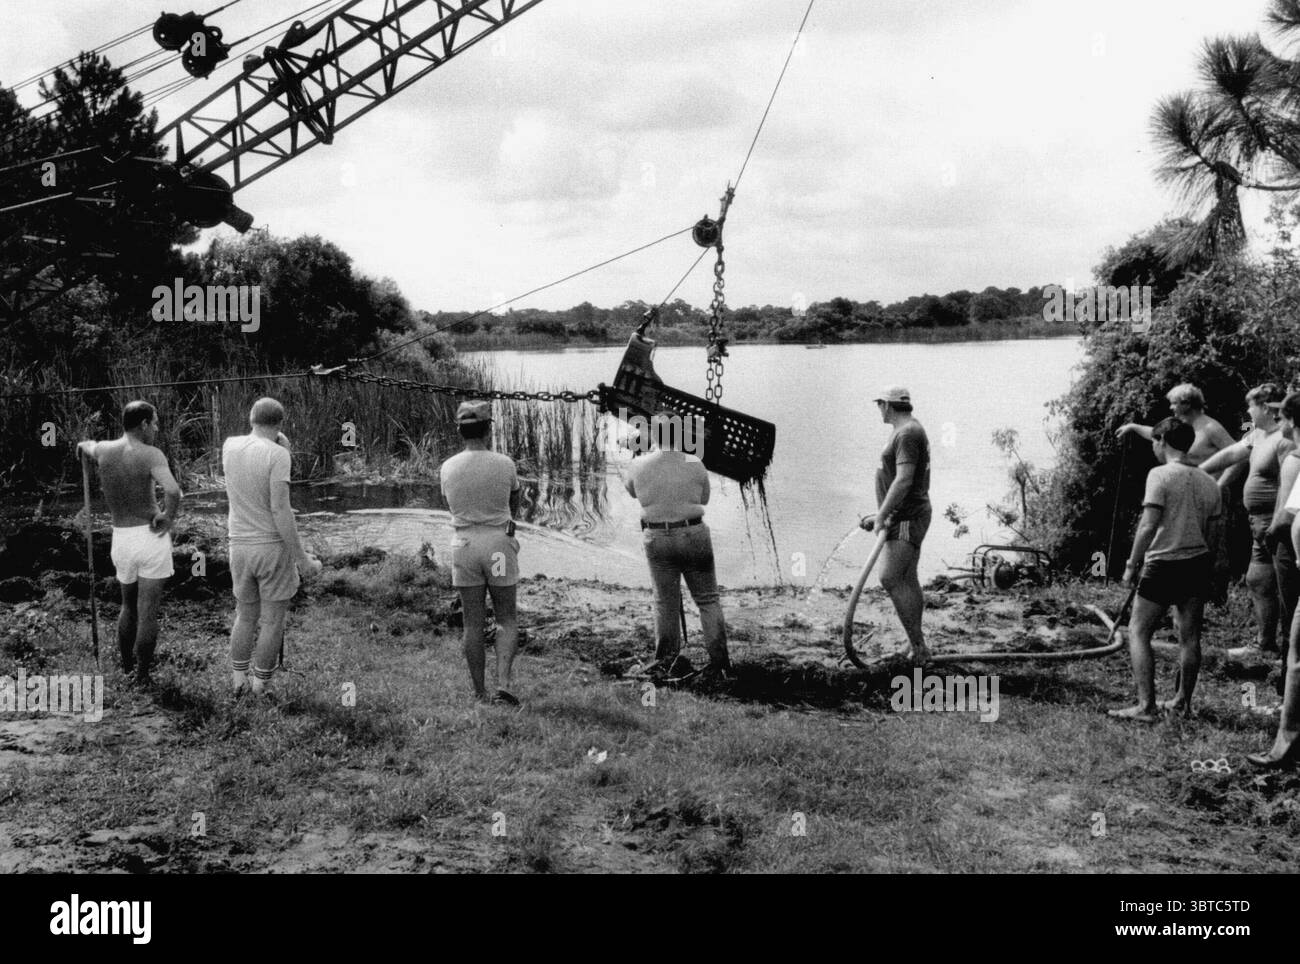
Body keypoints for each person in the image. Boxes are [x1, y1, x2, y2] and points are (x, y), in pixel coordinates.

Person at [1109, 418, 1222, 722]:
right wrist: (1206, 568)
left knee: (1138, 630)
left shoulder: (1159, 475)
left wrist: (1131, 565)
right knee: (1190, 637)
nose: (1154, 449)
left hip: (1163, 563)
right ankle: (1182, 704)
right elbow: (1213, 535)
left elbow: (1148, 525)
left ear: (1161, 441)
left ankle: (1146, 706)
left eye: (1154, 443)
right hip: (1197, 563)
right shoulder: (1209, 481)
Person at [76, 401, 183, 685]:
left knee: (127, 606)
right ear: (144, 424)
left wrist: (82, 447)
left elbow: (87, 445)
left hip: (121, 537)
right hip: (149, 537)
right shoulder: (151, 454)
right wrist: (168, 517)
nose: (157, 428)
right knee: (147, 611)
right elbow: (173, 490)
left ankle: (125, 668)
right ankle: (143, 675)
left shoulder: (104, 451)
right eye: (156, 422)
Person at [623, 410, 731, 684]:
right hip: (694, 533)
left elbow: (632, 491)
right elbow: (704, 498)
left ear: (653, 434)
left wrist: (640, 454)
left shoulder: (640, 464)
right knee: (707, 599)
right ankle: (720, 664)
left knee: (664, 602)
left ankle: (665, 662)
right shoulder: (694, 462)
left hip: (658, 537)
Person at [222, 397, 321, 698]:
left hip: (238, 545)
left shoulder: (229, 445)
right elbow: (281, 510)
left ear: (251, 418)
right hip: (270, 547)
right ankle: (260, 686)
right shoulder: (278, 455)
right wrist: (302, 559)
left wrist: (280, 446)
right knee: (273, 619)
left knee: (245, 615)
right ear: (279, 424)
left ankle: (238, 681)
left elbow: (255, 450)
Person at [1198, 384, 1292, 660]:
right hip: (1258, 524)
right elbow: (1230, 454)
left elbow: (1292, 483)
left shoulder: (1285, 439)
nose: (1247, 411)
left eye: (1251, 406)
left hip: (1278, 524)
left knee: (1288, 585)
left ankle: (1289, 649)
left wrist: (1278, 522)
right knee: (1257, 580)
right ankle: (1266, 643)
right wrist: (1197, 472)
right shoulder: (1258, 434)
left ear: (1265, 407)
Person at [439, 400, 523, 705]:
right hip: (497, 547)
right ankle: (504, 683)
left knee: (472, 622)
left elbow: (448, 504)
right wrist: (506, 528)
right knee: (506, 618)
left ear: (461, 431)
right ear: (488, 429)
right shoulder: (505, 463)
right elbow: (514, 506)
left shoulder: (448, 466)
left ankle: (479, 691)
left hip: (463, 545)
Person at [859, 386, 931, 665]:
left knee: (890, 577)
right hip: (903, 515)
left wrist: (883, 516)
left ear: (888, 406)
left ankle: (919, 647)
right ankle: (915, 645)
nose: (879, 410)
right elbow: (897, 481)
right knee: (907, 579)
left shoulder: (907, 433)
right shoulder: (908, 431)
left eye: (880, 405)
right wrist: (879, 514)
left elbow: (903, 480)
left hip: (907, 518)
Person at [1251, 390, 1300, 767]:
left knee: (1295, 646)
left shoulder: (1296, 458)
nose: (1281, 425)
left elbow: (1285, 516)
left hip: (1290, 555)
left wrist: (1270, 536)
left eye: (1285, 419)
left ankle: (1287, 739)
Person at [1116, 383, 1236, 467]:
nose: (1170, 407)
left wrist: (1221, 484)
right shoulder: (1182, 425)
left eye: (1174, 403)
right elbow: (1159, 435)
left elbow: (1239, 457)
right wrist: (1133, 427)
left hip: (1210, 492)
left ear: (1187, 404)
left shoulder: (1211, 428)